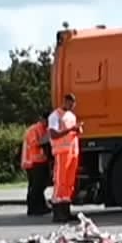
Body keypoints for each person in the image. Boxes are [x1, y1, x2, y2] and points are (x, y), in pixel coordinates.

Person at [47, 94, 81, 223]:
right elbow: (53, 134)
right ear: (65, 101)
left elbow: (71, 131)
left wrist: (77, 130)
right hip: (61, 152)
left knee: (69, 183)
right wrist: (71, 129)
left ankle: (65, 211)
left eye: (73, 104)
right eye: (70, 103)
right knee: (60, 182)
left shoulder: (71, 116)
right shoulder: (55, 115)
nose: (72, 106)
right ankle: (57, 212)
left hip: (72, 152)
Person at [20, 118, 51, 217]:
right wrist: (48, 138)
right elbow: (35, 143)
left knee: (39, 186)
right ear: (43, 120)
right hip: (34, 162)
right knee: (36, 186)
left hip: (39, 160)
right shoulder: (35, 129)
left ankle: (41, 207)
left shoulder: (42, 128)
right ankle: (33, 208)